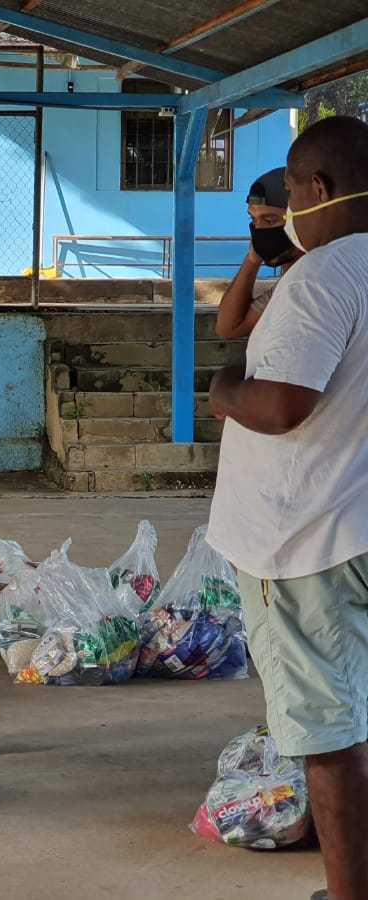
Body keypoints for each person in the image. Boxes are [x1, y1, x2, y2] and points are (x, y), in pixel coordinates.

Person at [206, 116, 368, 900]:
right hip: (357, 527)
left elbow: (282, 407)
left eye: (292, 189)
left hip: (308, 546)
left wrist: (224, 391)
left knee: (330, 735)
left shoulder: (324, 277)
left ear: (319, 189)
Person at [214, 167, 305, 339]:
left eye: (270, 220)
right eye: (253, 219)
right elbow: (228, 328)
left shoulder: (309, 281)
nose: (259, 229)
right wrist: (252, 260)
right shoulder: (284, 285)